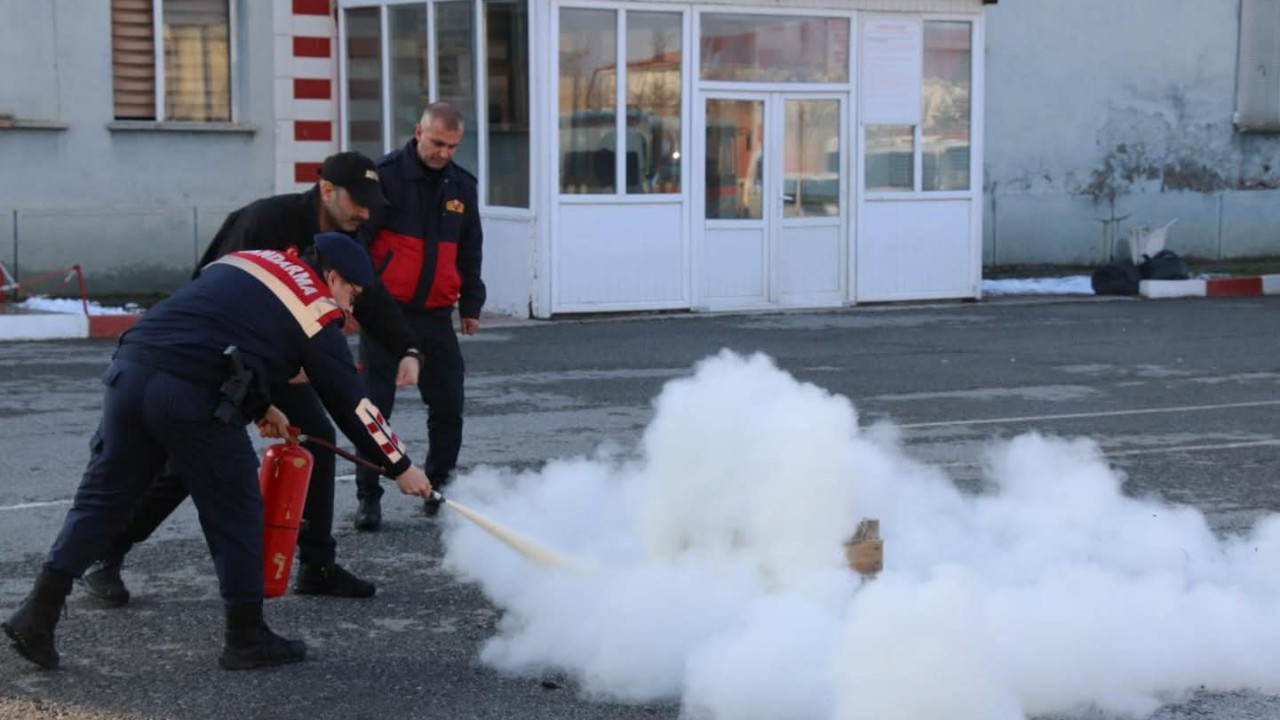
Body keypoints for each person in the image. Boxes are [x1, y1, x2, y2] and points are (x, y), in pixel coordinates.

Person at [1, 233, 434, 671]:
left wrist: (261, 403)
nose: (349, 309)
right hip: (187, 395)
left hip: (131, 370)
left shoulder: (250, 259)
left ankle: (38, 613)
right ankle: (247, 637)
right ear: (333, 276)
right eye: (352, 295)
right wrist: (399, 464)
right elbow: (351, 401)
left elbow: (220, 329)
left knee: (102, 500)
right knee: (237, 509)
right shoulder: (315, 305)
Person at [79, 152, 422, 605]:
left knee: (314, 437)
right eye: (358, 202)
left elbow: (368, 301)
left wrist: (407, 347)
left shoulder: (347, 243)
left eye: (369, 204)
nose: (364, 212)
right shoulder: (266, 220)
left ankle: (317, 564)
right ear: (326, 190)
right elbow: (215, 288)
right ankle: (107, 554)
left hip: (283, 366)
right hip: (219, 363)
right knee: (182, 463)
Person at [353, 102, 485, 531]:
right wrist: (353, 302)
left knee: (448, 406)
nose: (444, 153)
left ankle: (438, 487)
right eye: (437, 143)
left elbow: (470, 249)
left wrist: (470, 304)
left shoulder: (461, 186)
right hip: (384, 313)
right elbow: (358, 244)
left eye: (452, 146)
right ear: (417, 132)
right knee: (374, 410)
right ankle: (368, 499)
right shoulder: (384, 176)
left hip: (435, 315)